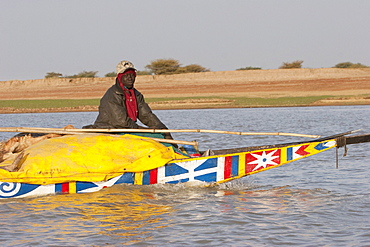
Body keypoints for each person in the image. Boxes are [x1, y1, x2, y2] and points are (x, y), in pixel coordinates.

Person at [83, 60, 174, 140]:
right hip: (110, 131)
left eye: (132, 75)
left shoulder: (136, 95)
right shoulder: (112, 95)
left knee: (161, 136)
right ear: (120, 77)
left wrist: (163, 129)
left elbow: (146, 115)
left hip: (128, 130)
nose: (130, 78)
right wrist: (148, 130)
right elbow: (121, 122)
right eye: (126, 75)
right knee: (152, 136)